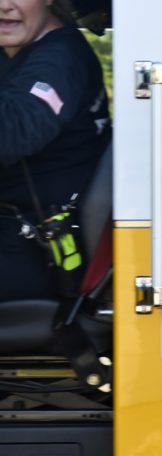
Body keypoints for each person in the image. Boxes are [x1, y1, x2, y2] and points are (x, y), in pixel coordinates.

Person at [0, 0, 110, 301]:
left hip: (31, 251)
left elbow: (14, 132)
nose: (4, 5)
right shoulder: (16, 53)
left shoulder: (60, 58)